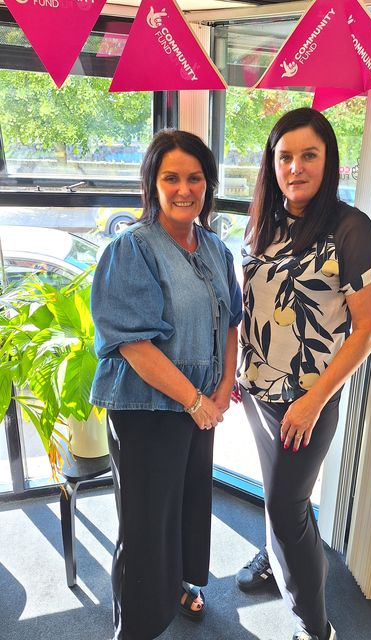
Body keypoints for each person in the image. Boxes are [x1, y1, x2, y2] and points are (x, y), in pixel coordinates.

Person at [236, 107, 371, 640]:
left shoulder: (352, 230)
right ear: (271, 164)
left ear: (329, 161)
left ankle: (315, 626)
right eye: (284, 157)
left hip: (306, 400)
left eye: (308, 155)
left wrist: (314, 400)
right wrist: (241, 367)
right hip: (257, 391)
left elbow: (368, 328)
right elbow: (254, 302)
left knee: (285, 505)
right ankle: (277, 558)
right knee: (280, 498)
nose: (295, 167)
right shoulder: (267, 220)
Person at [90, 129, 242, 640]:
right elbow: (134, 345)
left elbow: (232, 321)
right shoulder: (131, 248)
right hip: (147, 410)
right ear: (152, 185)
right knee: (146, 523)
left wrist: (222, 388)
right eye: (170, 177)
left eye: (194, 178)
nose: (184, 189)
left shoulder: (216, 247)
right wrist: (198, 400)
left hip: (200, 406)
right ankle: (135, 625)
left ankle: (181, 585)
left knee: (189, 501)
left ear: (208, 184)